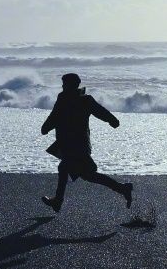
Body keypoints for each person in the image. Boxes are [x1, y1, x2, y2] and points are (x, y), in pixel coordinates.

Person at [40, 73, 133, 213]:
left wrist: (46, 127)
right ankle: (122, 188)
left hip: (75, 146)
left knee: (72, 170)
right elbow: (99, 111)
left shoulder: (71, 99)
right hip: (75, 145)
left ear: (72, 85)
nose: (63, 86)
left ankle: (58, 201)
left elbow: (56, 116)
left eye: (65, 84)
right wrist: (112, 120)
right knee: (82, 173)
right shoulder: (80, 99)